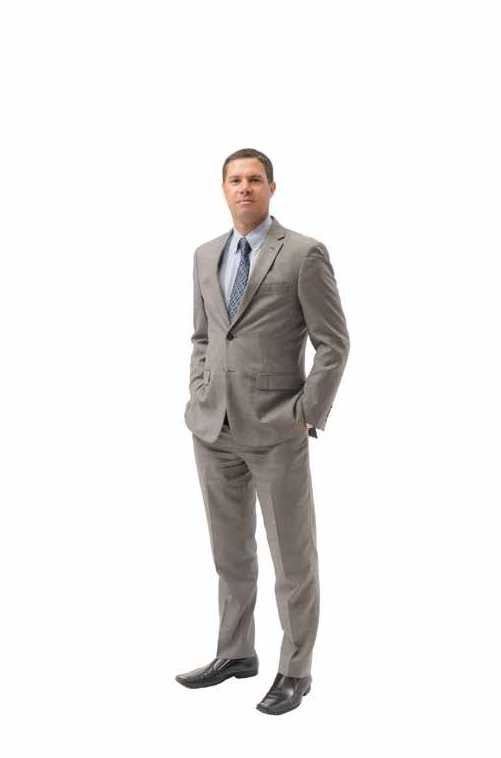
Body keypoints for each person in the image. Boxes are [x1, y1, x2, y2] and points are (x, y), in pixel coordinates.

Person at [176, 148, 350, 715]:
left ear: (272, 187)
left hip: (277, 429)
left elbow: (333, 343)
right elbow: (203, 337)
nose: (244, 188)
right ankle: (235, 653)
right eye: (235, 180)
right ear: (223, 189)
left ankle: (296, 670)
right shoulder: (206, 255)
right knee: (230, 553)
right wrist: (200, 390)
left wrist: (307, 412)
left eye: (254, 179)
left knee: (292, 560)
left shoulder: (302, 253)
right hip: (214, 428)